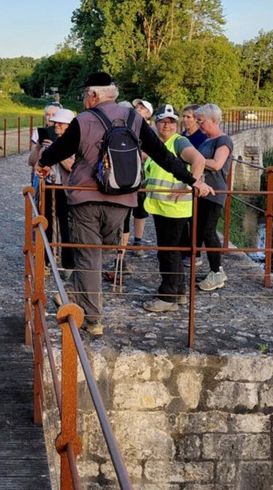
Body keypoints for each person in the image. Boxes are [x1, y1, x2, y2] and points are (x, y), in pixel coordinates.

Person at [35, 73, 213, 336]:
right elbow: (162, 154)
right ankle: (81, 296)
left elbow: (60, 149)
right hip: (123, 200)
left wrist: (43, 163)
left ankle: (90, 315)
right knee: (102, 250)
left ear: (94, 95)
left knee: (89, 256)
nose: (84, 99)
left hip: (86, 199)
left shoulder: (83, 120)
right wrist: (191, 180)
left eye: (85, 94)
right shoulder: (134, 118)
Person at [141, 104, 206, 313]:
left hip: (173, 207)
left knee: (168, 253)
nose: (167, 125)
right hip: (164, 206)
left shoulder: (178, 142)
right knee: (173, 252)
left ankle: (167, 297)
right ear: (156, 123)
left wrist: (188, 186)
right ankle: (179, 292)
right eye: (163, 121)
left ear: (176, 125)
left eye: (171, 122)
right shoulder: (158, 144)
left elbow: (199, 160)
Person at [28, 107, 76, 274]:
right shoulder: (48, 141)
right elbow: (32, 162)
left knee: (66, 227)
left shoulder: (74, 142)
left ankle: (68, 264)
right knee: (47, 224)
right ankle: (47, 261)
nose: (55, 125)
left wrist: (56, 151)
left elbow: (72, 166)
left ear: (68, 125)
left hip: (66, 188)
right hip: (48, 187)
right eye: (55, 123)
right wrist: (39, 147)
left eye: (60, 123)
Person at [194, 104, 235, 292]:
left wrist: (195, 160)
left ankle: (217, 272)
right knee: (202, 230)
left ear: (213, 120)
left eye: (201, 121)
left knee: (208, 231)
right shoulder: (207, 140)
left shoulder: (223, 140)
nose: (198, 124)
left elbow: (218, 164)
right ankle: (215, 270)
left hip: (214, 192)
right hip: (204, 191)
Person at [178, 104, 207, 267]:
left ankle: (196, 253)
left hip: (196, 182)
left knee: (195, 219)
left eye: (188, 117)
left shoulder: (202, 138)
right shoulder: (182, 136)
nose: (185, 120)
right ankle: (184, 251)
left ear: (196, 119)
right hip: (182, 180)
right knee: (182, 218)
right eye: (184, 116)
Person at [125, 99, 155, 255]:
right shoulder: (127, 125)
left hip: (142, 176)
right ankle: (121, 244)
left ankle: (138, 240)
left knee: (140, 209)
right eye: (137, 106)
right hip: (125, 173)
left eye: (142, 108)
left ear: (148, 114)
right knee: (123, 208)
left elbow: (153, 153)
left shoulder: (150, 131)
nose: (137, 108)